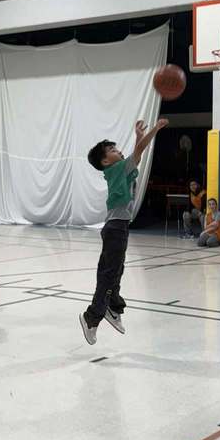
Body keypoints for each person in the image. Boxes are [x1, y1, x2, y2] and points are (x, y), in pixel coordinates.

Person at [79, 118, 168, 345]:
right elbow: (138, 152)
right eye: (112, 149)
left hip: (117, 227)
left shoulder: (120, 171)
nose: (118, 151)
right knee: (110, 274)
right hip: (116, 228)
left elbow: (137, 153)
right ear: (105, 161)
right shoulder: (117, 168)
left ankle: (113, 307)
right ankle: (92, 318)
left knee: (113, 272)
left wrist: (140, 138)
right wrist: (154, 130)